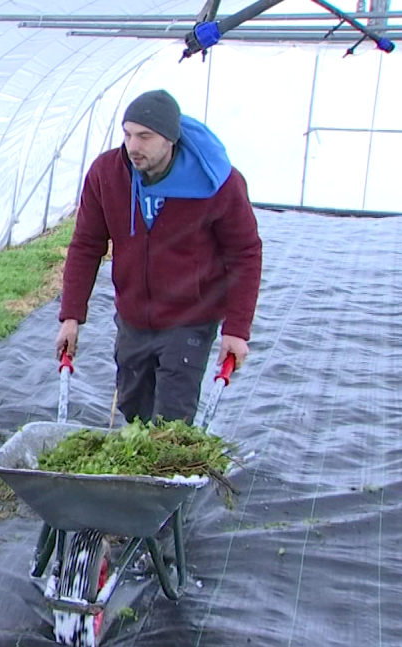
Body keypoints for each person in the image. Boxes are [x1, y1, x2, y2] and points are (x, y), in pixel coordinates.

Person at [55, 89, 263, 425]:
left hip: (190, 316)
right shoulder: (108, 174)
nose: (132, 146)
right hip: (134, 316)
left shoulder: (217, 182)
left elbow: (245, 253)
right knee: (133, 411)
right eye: (127, 134)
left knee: (170, 421)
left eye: (145, 137)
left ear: (170, 140)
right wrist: (71, 316)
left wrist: (236, 330)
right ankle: (135, 476)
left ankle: (166, 473)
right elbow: (86, 244)